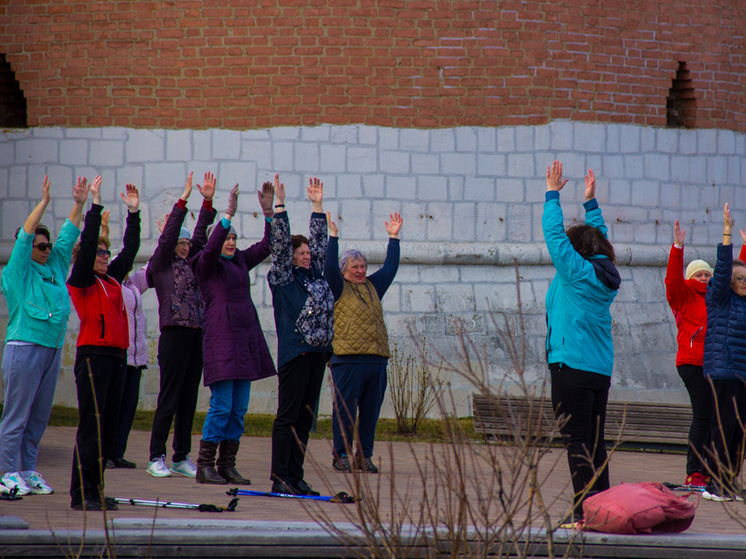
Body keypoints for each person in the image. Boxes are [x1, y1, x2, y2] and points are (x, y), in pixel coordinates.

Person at [542, 161, 621, 526]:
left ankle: (582, 515)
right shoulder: (605, 274)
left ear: (578, 253)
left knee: (577, 443)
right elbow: (600, 239)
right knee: (595, 444)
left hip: (570, 366)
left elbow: (555, 237)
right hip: (598, 371)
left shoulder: (575, 271)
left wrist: (552, 194)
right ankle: (601, 511)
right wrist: (591, 204)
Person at [0, 175, 89, 496]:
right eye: (41, 245)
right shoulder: (17, 270)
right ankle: (7, 472)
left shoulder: (53, 265)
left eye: (48, 245)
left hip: (51, 350)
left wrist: (79, 203)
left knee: (38, 416)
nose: (47, 249)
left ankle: (26, 469)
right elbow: (25, 236)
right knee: (16, 416)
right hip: (24, 348)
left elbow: (68, 235)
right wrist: (44, 203)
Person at [191, 181, 277, 485]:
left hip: (244, 341)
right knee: (222, 406)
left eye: (235, 238)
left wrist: (269, 213)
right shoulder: (205, 265)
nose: (231, 242)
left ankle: (227, 464)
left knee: (239, 410)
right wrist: (227, 214)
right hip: (221, 342)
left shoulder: (241, 259)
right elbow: (211, 247)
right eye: (227, 237)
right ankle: (205, 465)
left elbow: (268, 246)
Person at [67, 179, 141, 511]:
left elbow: (132, 248)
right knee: (92, 427)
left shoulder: (112, 278)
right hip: (93, 357)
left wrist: (134, 212)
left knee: (108, 431)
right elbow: (88, 242)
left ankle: (96, 489)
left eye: (106, 252)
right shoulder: (82, 280)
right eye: (98, 252)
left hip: (116, 357)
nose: (104, 256)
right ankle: (81, 494)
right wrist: (95, 205)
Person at [145, 171, 217, 478]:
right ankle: (155, 455)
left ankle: (180, 456)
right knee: (169, 397)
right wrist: (184, 200)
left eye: (188, 243)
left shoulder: (192, 262)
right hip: (173, 334)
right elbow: (169, 236)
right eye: (181, 242)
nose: (186, 247)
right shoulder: (161, 263)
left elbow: (201, 234)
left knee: (188, 400)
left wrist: (208, 201)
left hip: (195, 335)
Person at [268, 176, 334, 496]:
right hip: (296, 355)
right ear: (291, 258)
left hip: (318, 355)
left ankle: (295, 475)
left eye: (308, 252)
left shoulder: (317, 277)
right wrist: (280, 207)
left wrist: (317, 206)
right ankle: (280, 475)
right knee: (288, 417)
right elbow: (279, 245)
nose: (307, 255)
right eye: (301, 252)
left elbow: (322, 244)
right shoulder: (283, 279)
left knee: (305, 421)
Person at [324, 210, 402, 474]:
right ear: (345, 270)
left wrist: (393, 238)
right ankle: (341, 455)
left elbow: (390, 268)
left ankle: (364, 456)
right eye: (355, 267)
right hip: (347, 359)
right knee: (345, 412)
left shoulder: (373, 285)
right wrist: (333, 238)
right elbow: (329, 268)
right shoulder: (337, 286)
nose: (360, 271)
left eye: (363, 267)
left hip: (376, 360)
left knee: (369, 415)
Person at [95, 210, 150, 471]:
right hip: (113, 355)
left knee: (127, 408)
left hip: (135, 357)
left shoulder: (133, 283)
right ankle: (102, 455)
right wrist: (101, 225)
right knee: (108, 410)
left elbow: (144, 256)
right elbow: (93, 252)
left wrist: (135, 214)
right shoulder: (107, 280)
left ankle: (117, 452)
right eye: (103, 255)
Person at [664, 220, 713, 488]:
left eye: (707, 275)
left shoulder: (715, 297)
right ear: (689, 278)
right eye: (698, 275)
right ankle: (695, 474)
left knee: (714, 418)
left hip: (714, 364)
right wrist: (678, 248)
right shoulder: (683, 296)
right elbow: (672, 280)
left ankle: (706, 472)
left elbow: (737, 281)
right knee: (703, 415)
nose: (703, 279)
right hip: (692, 363)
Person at [702, 204, 746, 502]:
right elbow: (722, 269)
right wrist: (727, 233)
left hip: (741, 375)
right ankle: (713, 484)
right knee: (724, 426)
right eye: (740, 279)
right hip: (722, 370)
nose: (744, 282)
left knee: (739, 432)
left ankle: (730, 482)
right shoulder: (719, 298)